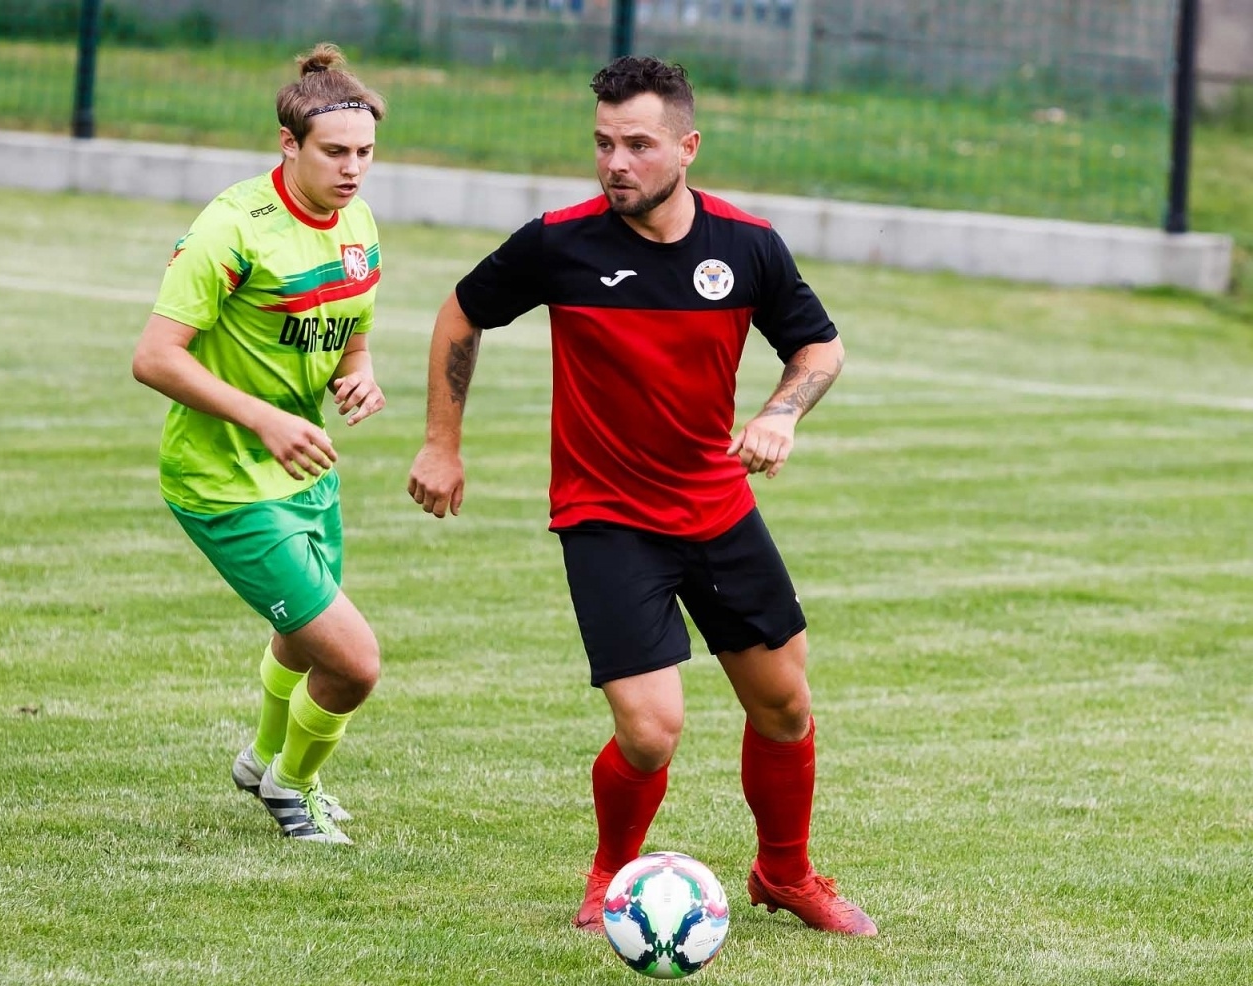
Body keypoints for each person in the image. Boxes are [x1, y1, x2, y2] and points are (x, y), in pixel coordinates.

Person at [406, 56, 876, 935]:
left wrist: (780, 414)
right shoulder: (559, 242)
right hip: (606, 516)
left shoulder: (747, 246)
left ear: (687, 148)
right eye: (602, 144)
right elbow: (461, 313)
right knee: (653, 729)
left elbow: (819, 348)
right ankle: (612, 871)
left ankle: (786, 874)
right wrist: (442, 442)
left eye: (637, 145)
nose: (615, 163)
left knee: (783, 704)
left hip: (718, 505)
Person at [132, 44, 387, 846]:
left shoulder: (356, 219)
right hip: (223, 481)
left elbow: (350, 326)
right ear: (289, 145)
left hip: (300, 473)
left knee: (299, 635)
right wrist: (263, 418)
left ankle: (261, 761)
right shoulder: (232, 227)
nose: (353, 171)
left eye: (366, 154)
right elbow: (154, 357)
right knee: (353, 663)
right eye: (335, 153)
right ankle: (291, 788)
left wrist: (361, 375)